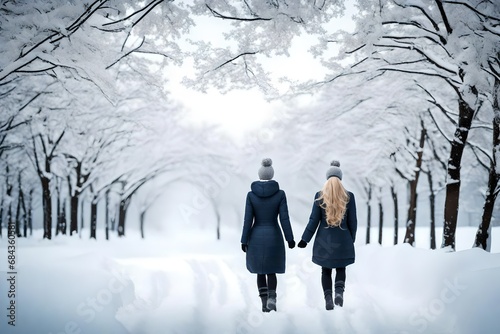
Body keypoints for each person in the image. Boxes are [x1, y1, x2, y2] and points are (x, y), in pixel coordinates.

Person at [297, 160, 357, 310]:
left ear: (327, 178)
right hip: (343, 240)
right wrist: (351, 239)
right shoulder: (349, 197)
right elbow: (353, 221)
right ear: (340, 178)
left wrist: (305, 239)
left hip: (324, 241)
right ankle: (339, 293)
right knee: (341, 268)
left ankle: (328, 298)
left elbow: (313, 221)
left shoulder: (320, 196)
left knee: (326, 270)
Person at [241, 158, 295, 312]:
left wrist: (244, 239)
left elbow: (247, 220)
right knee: (271, 270)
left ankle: (264, 302)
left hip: (256, 234)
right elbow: (284, 218)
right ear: (272, 174)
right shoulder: (280, 194)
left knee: (260, 270)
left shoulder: (251, 195)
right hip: (274, 235)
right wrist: (289, 238)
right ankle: (272, 298)